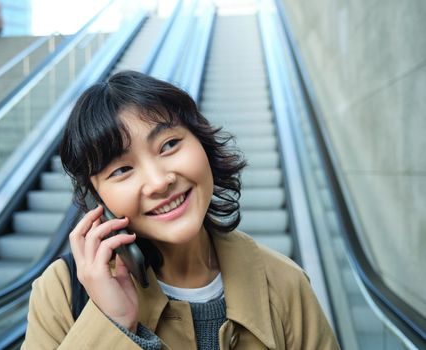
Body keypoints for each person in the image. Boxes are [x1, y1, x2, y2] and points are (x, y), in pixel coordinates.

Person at [21, 71, 340, 349]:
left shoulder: (284, 284)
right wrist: (112, 324)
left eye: (169, 145)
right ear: (98, 201)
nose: (159, 182)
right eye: (121, 170)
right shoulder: (63, 291)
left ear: (202, 142)